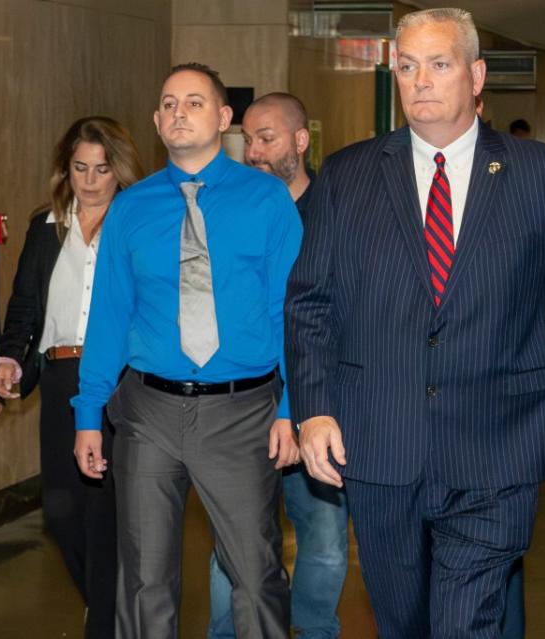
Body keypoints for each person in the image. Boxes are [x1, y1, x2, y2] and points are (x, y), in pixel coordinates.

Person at [285, 8, 545, 638]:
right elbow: (311, 302)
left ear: (475, 76)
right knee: (403, 620)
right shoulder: (349, 175)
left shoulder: (540, 175)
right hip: (379, 441)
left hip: (500, 442)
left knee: (466, 618)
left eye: (438, 65)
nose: (420, 81)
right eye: (407, 67)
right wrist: (314, 409)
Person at [72, 62, 303, 638]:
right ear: (156, 121)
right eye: (169, 104)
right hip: (149, 409)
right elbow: (109, 317)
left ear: (224, 118)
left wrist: (290, 407)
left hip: (243, 412)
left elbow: (296, 316)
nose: (179, 113)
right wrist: (87, 413)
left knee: (254, 573)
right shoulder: (131, 208)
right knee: (144, 579)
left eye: (194, 103)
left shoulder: (268, 201)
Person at [0, 116, 144, 638]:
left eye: (102, 169)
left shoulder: (137, 222)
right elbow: (25, 310)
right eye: (80, 167)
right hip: (59, 376)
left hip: (118, 381)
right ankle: (113, 608)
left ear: (119, 171)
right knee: (61, 510)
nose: (91, 179)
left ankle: (103, 624)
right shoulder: (45, 226)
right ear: (66, 170)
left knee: (104, 510)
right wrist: (9, 359)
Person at [206, 92, 348, 639]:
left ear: (300, 141)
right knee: (233, 541)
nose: (254, 151)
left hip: (316, 404)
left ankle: (313, 630)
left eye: (267, 138)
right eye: (247, 139)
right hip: (241, 403)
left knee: (326, 539)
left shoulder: (334, 214)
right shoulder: (230, 212)